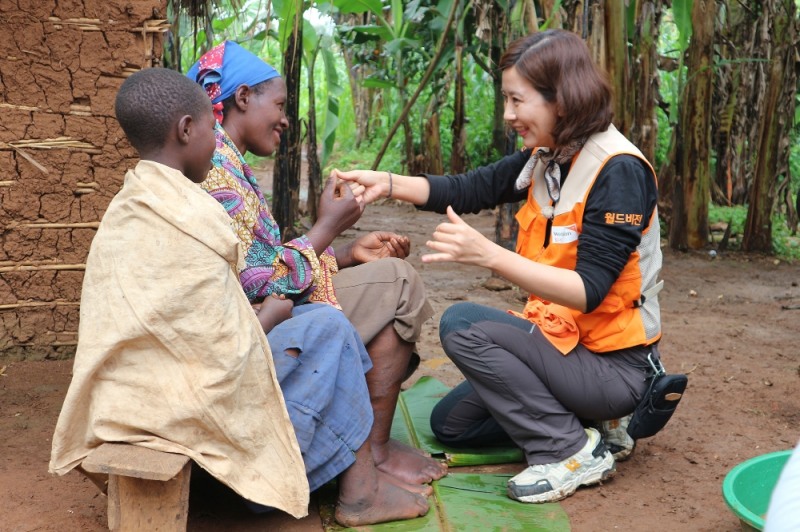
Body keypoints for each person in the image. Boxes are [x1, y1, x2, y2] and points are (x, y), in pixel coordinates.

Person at [48, 67, 428, 527]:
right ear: (187, 129)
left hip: (126, 399)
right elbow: (222, 352)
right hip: (181, 404)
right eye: (212, 127)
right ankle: (358, 492)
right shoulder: (197, 215)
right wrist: (268, 314)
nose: (217, 140)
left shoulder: (129, 207)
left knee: (316, 324)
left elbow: (187, 323)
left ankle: (357, 474)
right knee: (328, 328)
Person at [334, 28, 664, 504]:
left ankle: (572, 449)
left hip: (615, 366)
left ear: (563, 100)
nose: (508, 114)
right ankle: (596, 426)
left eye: (517, 100)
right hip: (563, 346)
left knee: (464, 325)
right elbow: (468, 188)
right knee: (453, 425)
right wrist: (385, 183)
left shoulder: (619, 172)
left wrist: (490, 255)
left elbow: (591, 290)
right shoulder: (549, 159)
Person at [186, 41, 446, 488]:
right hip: (250, 336)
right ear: (243, 97)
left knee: (389, 281)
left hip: (256, 320)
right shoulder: (215, 169)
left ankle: (367, 448)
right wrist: (328, 227)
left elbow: (257, 263)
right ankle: (373, 455)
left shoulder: (226, 161)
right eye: (281, 105)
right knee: (398, 283)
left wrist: (345, 254)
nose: (287, 119)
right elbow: (263, 286)